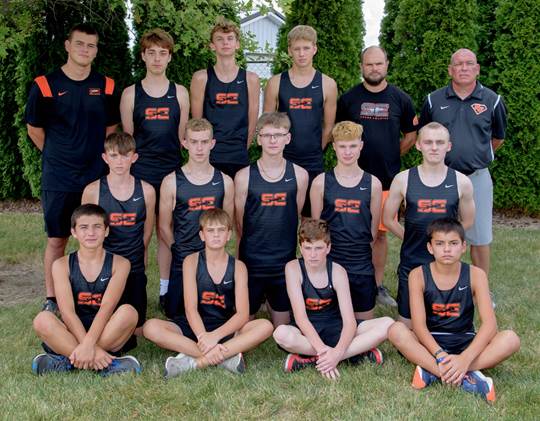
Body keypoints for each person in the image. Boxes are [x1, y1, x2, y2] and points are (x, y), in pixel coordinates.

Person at [25, 23, 120, 313]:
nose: (85, 50)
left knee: (98, 236)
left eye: (91, 45)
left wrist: (92, 159)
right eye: (79, 44)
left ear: (96, 50)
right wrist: (58, 155)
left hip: (95, 176)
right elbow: (34, 129)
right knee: (58, 239)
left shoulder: (107, 86)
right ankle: (52, 299)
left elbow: (111, 129)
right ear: (67, 46)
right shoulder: (44, 84)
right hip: (59, 176)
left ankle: (99, 294)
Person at [387, 218, 520, 403]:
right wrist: (440, 355)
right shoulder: (417, 275)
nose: (447, 249)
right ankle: (461, 376)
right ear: (430, 248)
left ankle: (436, 372)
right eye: (440, 244)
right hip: (430, 344)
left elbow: (490, 326)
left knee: (511, 339)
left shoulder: (476, 275)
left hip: (465, 341)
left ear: (463, 246)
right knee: (396, 330)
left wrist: (465, 358)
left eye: (453, 243)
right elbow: (418, 326)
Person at [143, 209, 273, 377]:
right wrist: (203, 336)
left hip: (225, 328)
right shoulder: (191, 261)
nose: (216, 235)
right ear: (202, 235)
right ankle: (225, 357)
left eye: (221, 230)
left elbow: (242, 314)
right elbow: (190, 309)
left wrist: (215, 336)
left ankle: (196, 362)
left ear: (229, 235)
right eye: (210, 231)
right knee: (151, 327)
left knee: (265, 326)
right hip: (194, 327)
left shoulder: (238, 267)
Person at [336, 46, 417, 307]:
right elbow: (338, 135)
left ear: (387, 65)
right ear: (361, 65)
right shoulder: (348, 99)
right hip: (351, 180)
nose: (374, 68)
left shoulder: (401, 99)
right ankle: (343, 282)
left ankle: (377, 286)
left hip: (385, 181)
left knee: (380, 235)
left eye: (379, 64)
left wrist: (393, 154)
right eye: (369, 64)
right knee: (348, 231)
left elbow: (411, 136)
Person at [418, 48, 507, 279]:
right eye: (458, 64)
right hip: (439, 177)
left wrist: (475, 156)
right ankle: (435, 283)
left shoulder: (493, 100)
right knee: (435, 233)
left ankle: (481, 289)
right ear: (450, 70)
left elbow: (497, 138)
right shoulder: (433, 100)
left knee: (480, 237)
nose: (464, 68)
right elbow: (425, 135)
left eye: (469, 64)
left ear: (477, 69)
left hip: (476, 177)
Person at [119, 28, 190, 309]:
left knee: (167, 230)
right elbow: (128, 141)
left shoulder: (180, 93)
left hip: (171, 171)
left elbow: (183, 138)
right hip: (141, 173)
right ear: (143, 56)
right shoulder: (130, 94)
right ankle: (130, 287)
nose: (157, 58)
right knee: (140, 233)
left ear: (169, 57)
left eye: (163, 53)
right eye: (152, 53)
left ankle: (164, 288)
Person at [273, 219, 394, 380]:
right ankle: (355, 354)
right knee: (281, 334)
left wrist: (336, 354)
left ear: (328, 248)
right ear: (301, 248)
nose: (313, 254)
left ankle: (315, 360)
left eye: (319, 248)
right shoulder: (293, 268)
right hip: (306, 331)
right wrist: (323, 349)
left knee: (387, 324)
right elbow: (301, 318)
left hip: (336, 328)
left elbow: (350, 321)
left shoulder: (338, 271)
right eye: (308, 248)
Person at [32, 204, 141, 376]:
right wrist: (88, 346)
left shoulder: (120, 264)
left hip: (106, 329)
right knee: (42, 320)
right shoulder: (61, 265)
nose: (91, 233)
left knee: (129, 313)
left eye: (97, 227)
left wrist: (88, 344)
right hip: (72, 330)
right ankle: (104, 362)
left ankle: (69, 360)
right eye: (84, 227)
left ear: (106, 231)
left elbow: (107, 307)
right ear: (74, 232)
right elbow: (67, 312)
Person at [383, 122, 475, 326]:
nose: (434, 147)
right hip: (412, 260)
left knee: (445, 324)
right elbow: (388, 219)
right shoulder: (403, 179)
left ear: (448, 146)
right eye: (428, 142)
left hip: (446, 263)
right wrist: (410, 236)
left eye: (440, 142)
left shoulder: (461, 182)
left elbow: (467, 221)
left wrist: (445, 243)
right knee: (405, 327)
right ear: (418, 145)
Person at [235, 112, 308, 326]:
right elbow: (240, 222)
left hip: (284, 263)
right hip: (252, 262)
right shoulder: (243, 177)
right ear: (258, 139)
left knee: (283, 331)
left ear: (288, 138)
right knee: (243, 327)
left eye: (278, 134)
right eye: (267, 135)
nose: (273, 140)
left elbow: (296, 213)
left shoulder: (300, 175)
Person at [160, 118, 234, 321]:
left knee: (218, 316)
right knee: (177, 317)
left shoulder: (225, 182)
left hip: (214, 259)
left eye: (204, 142)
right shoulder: (171, 181)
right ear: (184, 143)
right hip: (183, 257)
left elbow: (228, 223)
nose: (199, 148)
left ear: (212, 143)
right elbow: (163, 226)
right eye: (194, 142)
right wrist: (178, 248)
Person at [82, 132, 155, 334]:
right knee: (97, 322)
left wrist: (140, 258)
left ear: (134, 157)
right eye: (114, 155)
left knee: (137, 328)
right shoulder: (93, 190)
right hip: (103, 267)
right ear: (105, 158)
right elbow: (86, 232)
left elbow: (147, 231)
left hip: (133, 265)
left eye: (125, 155)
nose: (120, 161)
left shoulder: (147, 191)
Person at [311, 121, 382, 320]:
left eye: (352, 146)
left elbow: (373, 232)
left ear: (361, 146)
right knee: (328, 320)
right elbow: (317, 230)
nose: (347, 152)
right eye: (342, 146)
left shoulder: (373, 184)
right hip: (331, 260)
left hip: (360, 263)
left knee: (364, 325)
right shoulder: (320, 183)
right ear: (334, 147)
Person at [263, 25, 337, 217]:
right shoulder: (276, 82)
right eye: (297, 49)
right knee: (279, 215)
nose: (301, 54)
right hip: (281, 159)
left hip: (312, 160)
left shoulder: (327, 84)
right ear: (289, 50)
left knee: (310, 219)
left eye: (306, 48)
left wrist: (314, 149)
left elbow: (329, 126)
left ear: (315, 48)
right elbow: (266, 123)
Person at [190, 17, 259, 179]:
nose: (225, 43)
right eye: (220, 39)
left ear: (237, 44)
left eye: (230, 39)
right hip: (210, 155)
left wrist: (243, 148)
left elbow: (252, 122)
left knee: (236, 204)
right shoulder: (201, 78)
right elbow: (197, 123)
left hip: (239, 155)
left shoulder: (251, 79)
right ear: (212, 46)